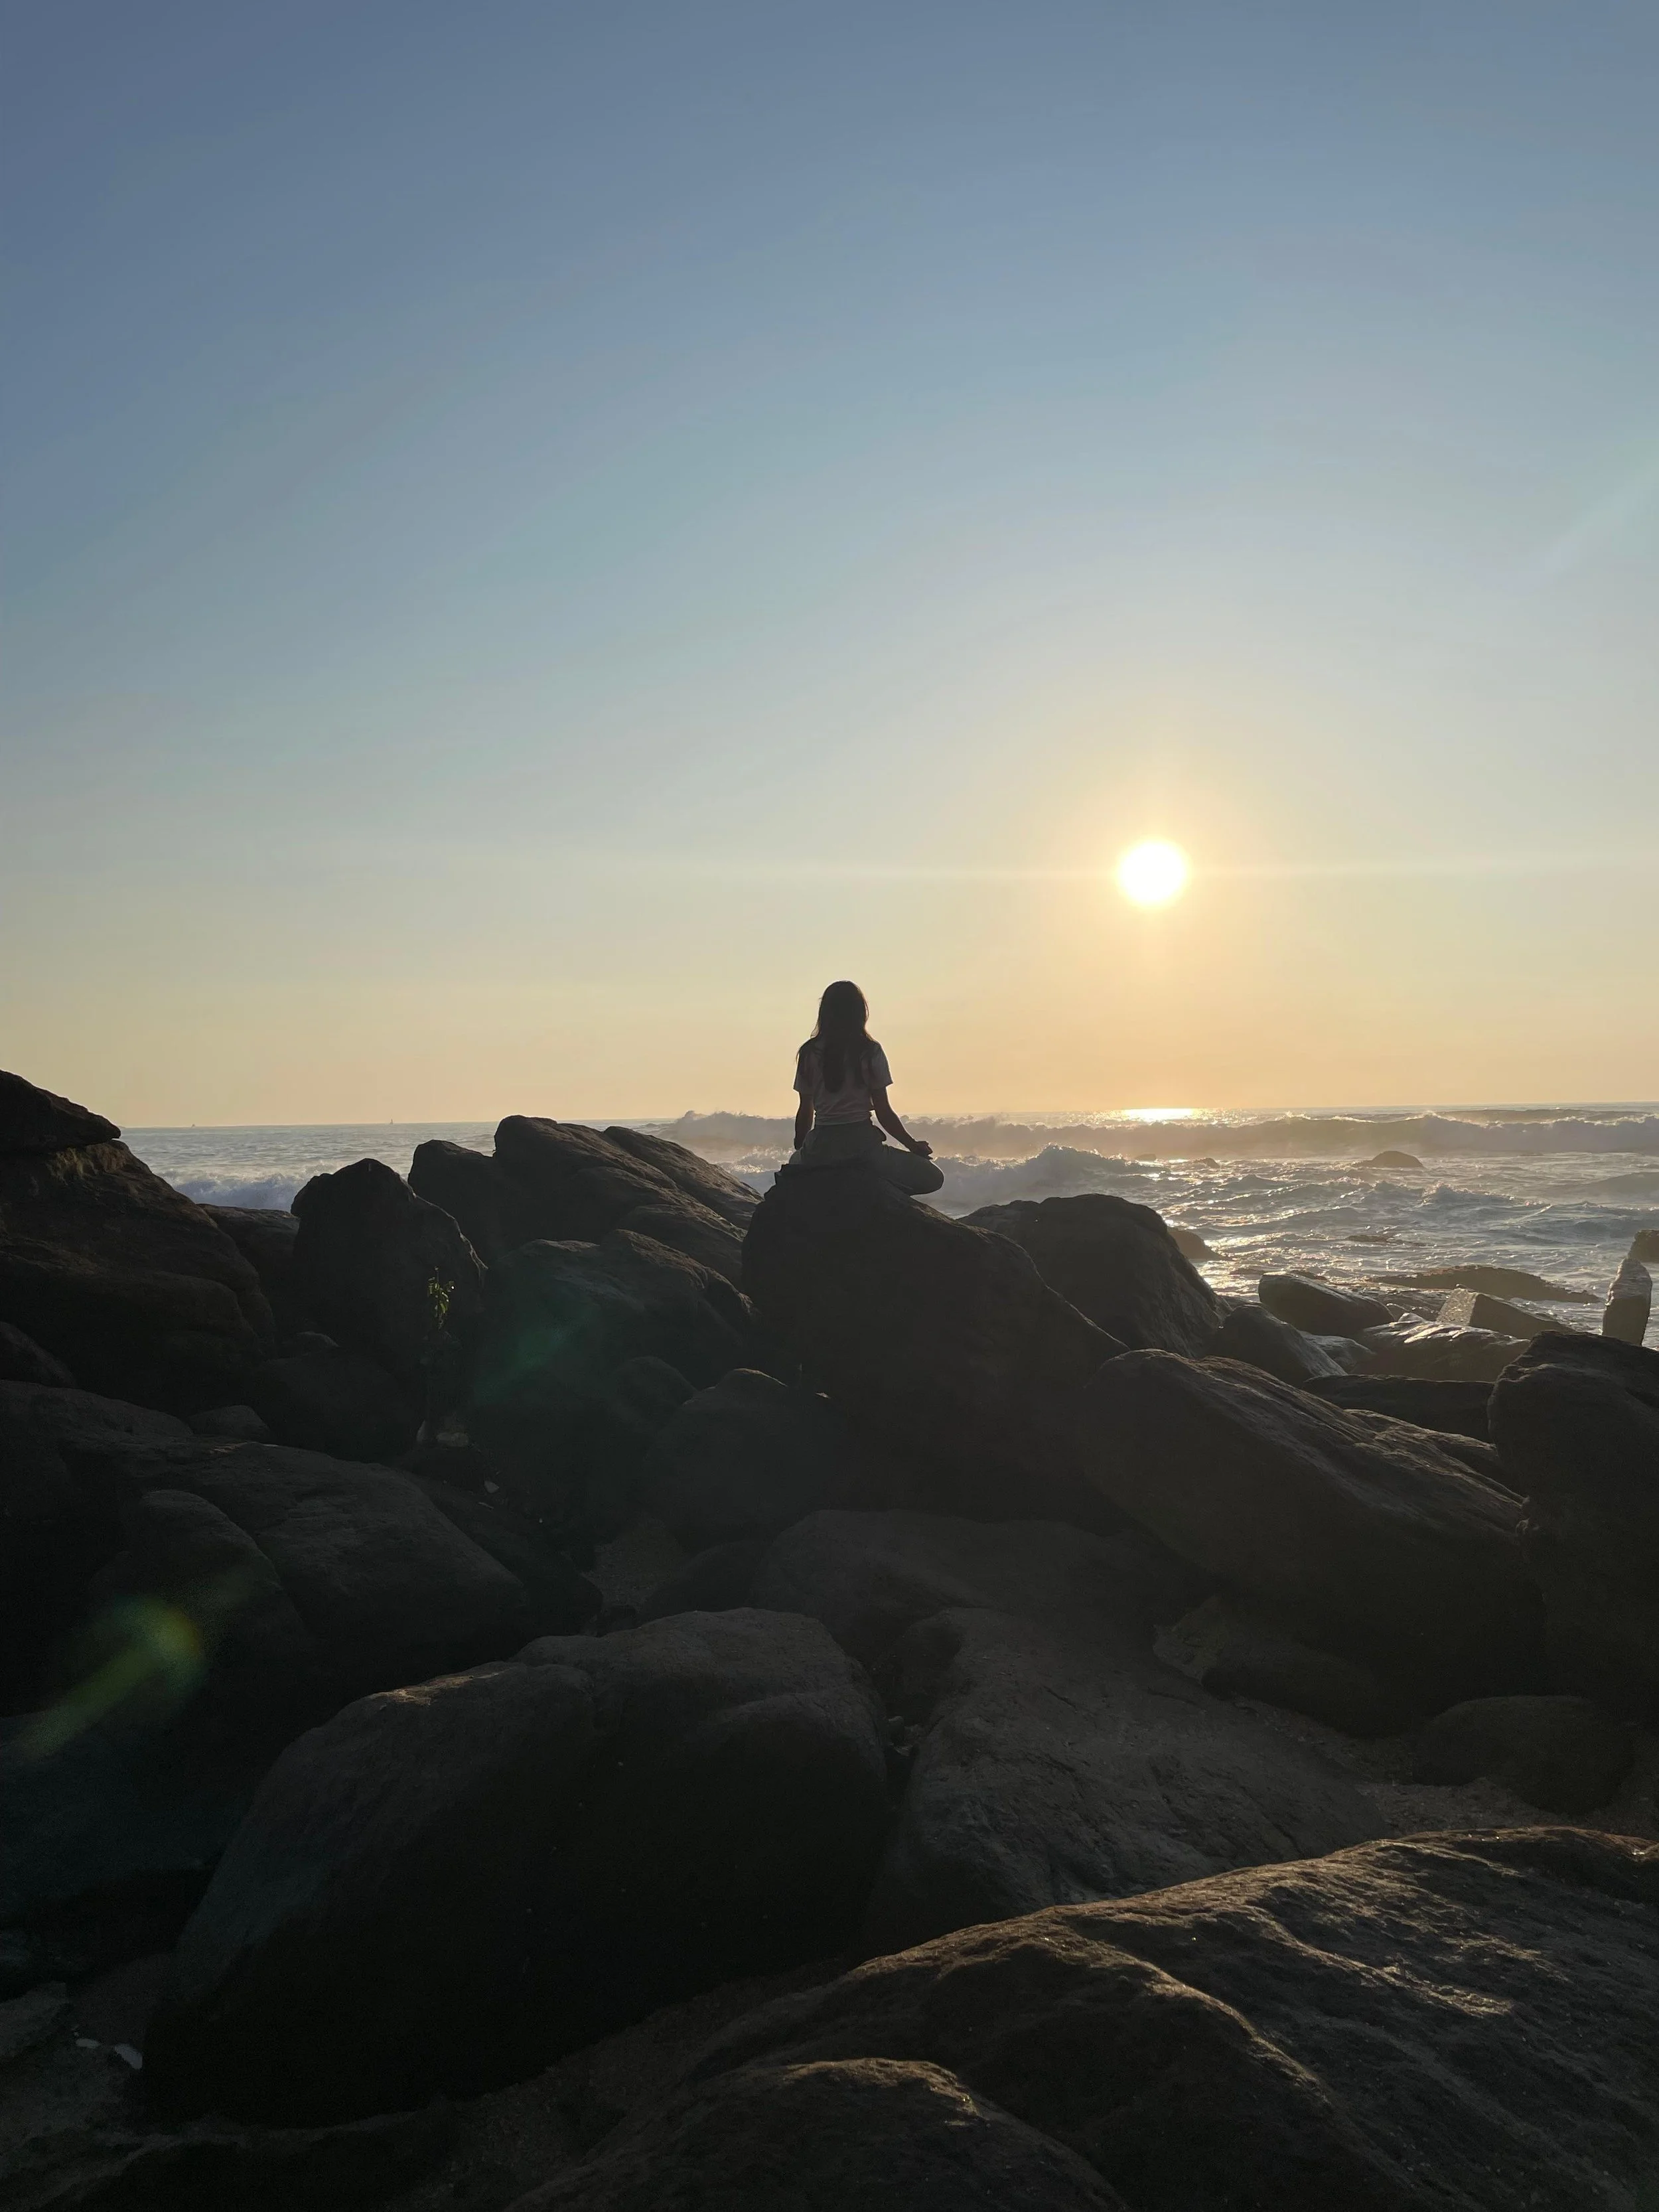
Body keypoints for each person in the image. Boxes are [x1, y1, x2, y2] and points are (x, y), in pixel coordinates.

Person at [784, 980, 944, 1195]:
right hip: (863, 1149)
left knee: (792, 1168)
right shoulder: (869, 1052)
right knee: (934, 1177)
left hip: (821, 1147)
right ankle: (878, 1191)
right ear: (860, 1013)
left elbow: (805, 1110)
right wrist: (913, 1146)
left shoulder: (809, 1053)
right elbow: (884, 1112)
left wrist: (803, 1147)